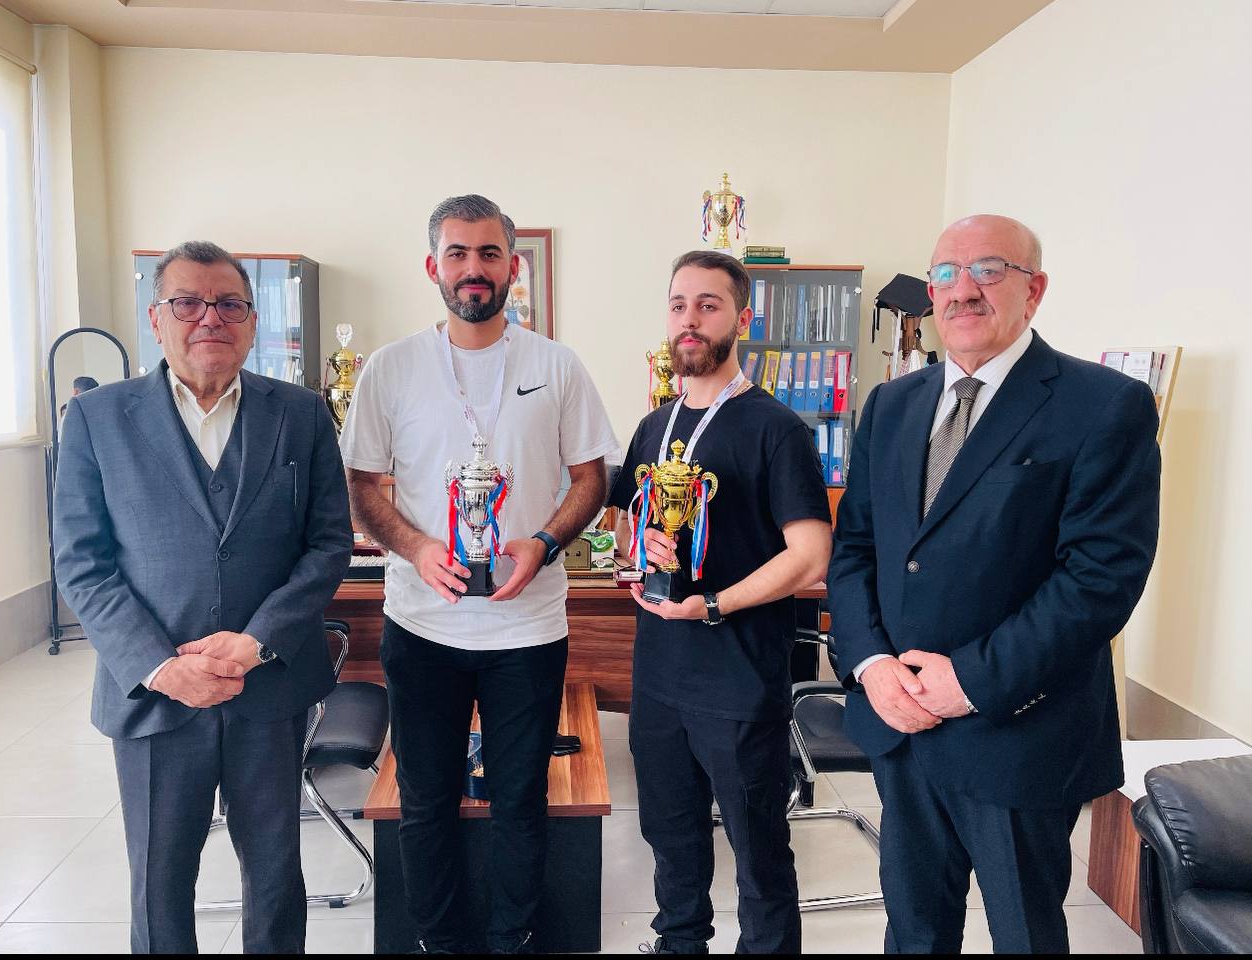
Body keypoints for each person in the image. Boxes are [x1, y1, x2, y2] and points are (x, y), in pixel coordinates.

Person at [827, 215, 1162, 953]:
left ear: (1033, 290)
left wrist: (971, 681)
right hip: (901, 726)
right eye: (945, 273)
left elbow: (1099, 579)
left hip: (1019, 732)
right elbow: (855, 550)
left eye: (987, 269)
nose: (962, 289)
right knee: (914, 932)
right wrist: (871, 663)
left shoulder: (1102, 404)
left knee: (1025, 936)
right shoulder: (892, 405)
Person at [52, 240, 352, 954]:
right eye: (187, 302)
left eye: (229, 304)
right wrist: (162, 667)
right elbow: (81, 563)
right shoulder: (97, 419)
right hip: (154, 694)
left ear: (252, 321)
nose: (209, 317)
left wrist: (256, 642)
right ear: (155, 318)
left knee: (276, 875)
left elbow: (327, 544)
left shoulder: (302, 414)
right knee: (159, 881)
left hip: (269, 685)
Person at [340, 194, 619, 954]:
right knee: (426, 800)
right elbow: (362, 486)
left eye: (489, 253)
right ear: (433, 266)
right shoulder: (392, 368)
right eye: (457, 253)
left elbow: (591, 479)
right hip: (421, 625)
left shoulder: (556, 365)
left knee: (520, 800)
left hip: (527, 628)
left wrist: (545, 541)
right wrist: (415, 547)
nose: (473, 268)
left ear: (512, 267)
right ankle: (439, 940)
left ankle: (510, 939)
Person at [608, 250, 833, 955]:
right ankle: (680, 943)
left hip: (737, 676)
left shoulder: (775, 428)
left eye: (708, 305)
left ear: (742, 318)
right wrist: (639, 545)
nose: (690, 319)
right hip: (660, 674)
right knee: (670, 835)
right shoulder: (655, 426)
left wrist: (715, 604)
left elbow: (810, 555)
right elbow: (623, 530)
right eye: (679, 305)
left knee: (757, 848)